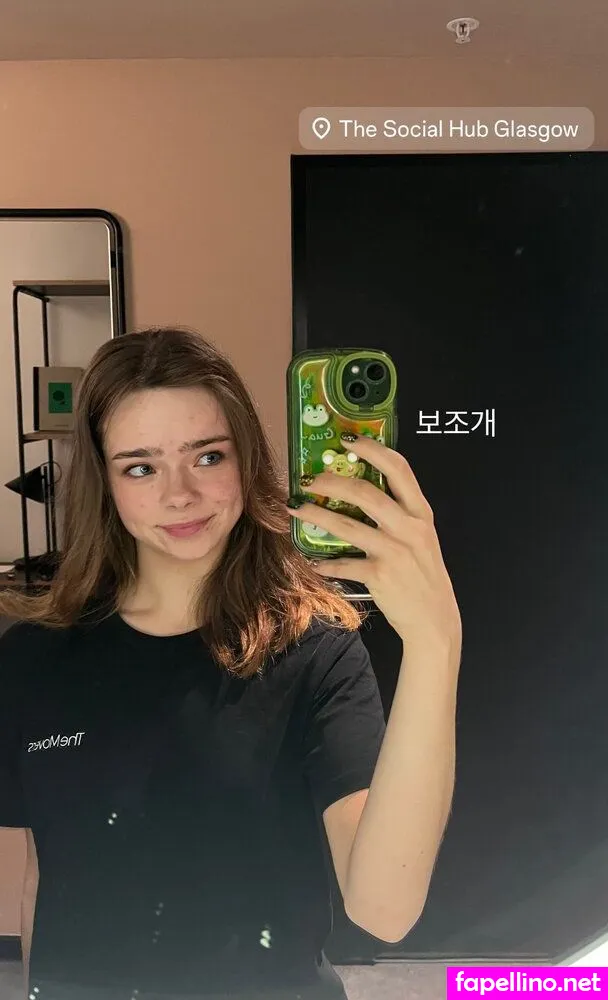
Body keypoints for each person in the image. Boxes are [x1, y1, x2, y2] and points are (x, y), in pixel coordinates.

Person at [0, 327, 462, 1000]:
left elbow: (384, 910)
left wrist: (434, 643)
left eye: (208, 456)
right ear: (105, 482)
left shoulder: (316, 650)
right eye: (140, 467)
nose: (179, 494)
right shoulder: (32, 659)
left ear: (246, 459)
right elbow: (45, 873)